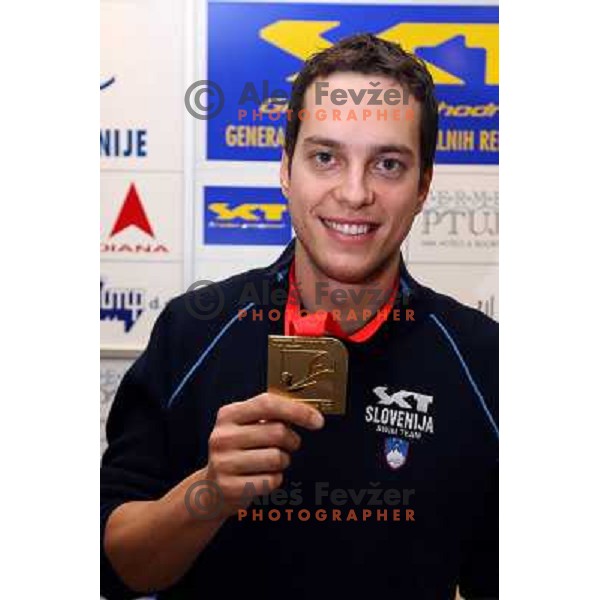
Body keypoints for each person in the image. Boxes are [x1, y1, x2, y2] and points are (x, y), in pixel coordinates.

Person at [101, 34, 498, 599]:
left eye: (388, 163)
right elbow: (114, 568)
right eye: (325, 157)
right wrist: (207, 494)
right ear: (286, 169)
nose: (354, 193)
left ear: (423, 187)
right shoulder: (194, 330)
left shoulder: (485, 360)